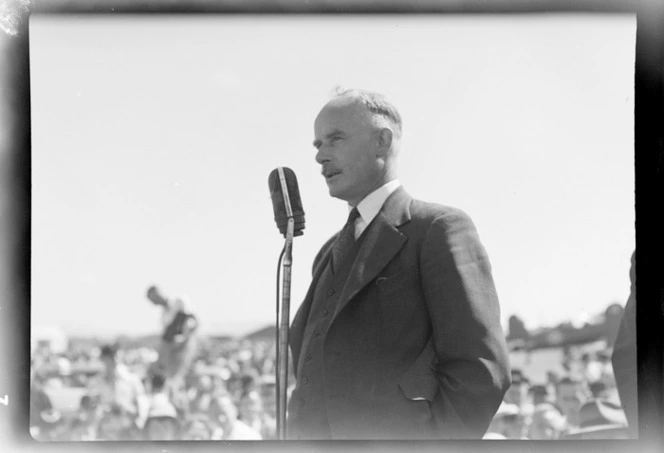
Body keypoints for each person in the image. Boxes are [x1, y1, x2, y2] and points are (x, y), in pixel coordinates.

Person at [287, 88, 511, 440]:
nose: (320, 157)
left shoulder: (437, 228)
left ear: (383, 141)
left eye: (335, 139)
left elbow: (480, 369)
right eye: (317, 145)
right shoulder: (329, 251)